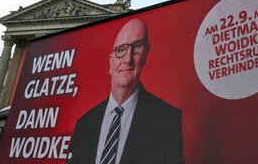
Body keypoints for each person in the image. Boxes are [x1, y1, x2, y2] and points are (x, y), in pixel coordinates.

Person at [68, 18, 184, 164]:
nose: (128, 59)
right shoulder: (84, 124)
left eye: (137, 47)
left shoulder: (167, 119)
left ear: (146, 55)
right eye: (121, 50)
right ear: (111, 62)